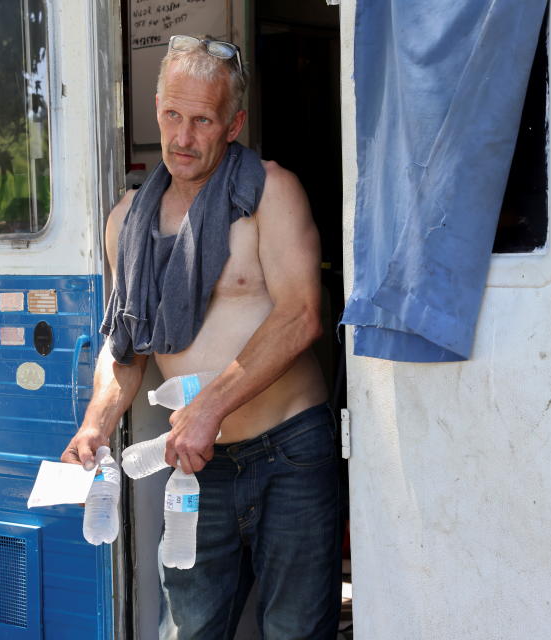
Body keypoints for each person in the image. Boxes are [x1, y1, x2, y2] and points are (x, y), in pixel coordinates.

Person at [61, 34, 341, 640]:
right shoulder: (126, 220)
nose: (182, 138)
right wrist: (95, 425)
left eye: (202, 121)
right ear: (157, 107)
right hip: (198, 465)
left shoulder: (271, 192)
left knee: (296, 630)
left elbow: (300, 317)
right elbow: (125, 345)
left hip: (289, 450)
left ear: (233, 123)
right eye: (171, 116)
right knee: (187, 630)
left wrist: (208, 407)